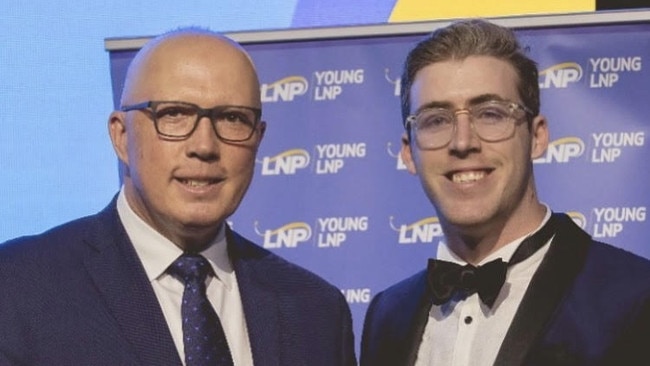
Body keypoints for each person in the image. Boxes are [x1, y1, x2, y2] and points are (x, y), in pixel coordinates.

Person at [0, 28, 356, 366]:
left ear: (258, 139)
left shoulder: (316, 310)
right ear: (121, 137)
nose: (204, 146)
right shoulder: (19, 286)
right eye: (174, 115)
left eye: (232, 118)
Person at [360, 19, 650, 366]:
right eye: (436, 120)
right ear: (409, 152)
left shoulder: (633, 295)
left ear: (537, 136)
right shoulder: (388, 316)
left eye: (491, 114)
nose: (463, 142)